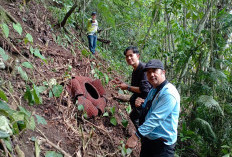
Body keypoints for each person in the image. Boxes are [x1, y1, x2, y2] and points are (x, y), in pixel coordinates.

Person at [125, 59, 180, 157]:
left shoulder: (169, 93)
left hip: (162, 146)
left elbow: (156, 118)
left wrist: (136, 137)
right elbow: (149, 108)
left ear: (163, 72)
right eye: (148, 72)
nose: (151, 75)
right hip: (149, 140)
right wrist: (141, 104)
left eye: (154, 71)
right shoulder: (154, 89)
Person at [113, 46, 151, 129]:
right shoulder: (135, 69)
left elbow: (144, 90)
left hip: (145, 101)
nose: (129, 58)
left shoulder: (143, 69)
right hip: (137, 99)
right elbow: (136, 86)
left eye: (131, 55)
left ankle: (138, 137)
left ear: (137, 56)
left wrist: (127, 87)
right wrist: (122, 83)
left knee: (136, 118)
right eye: (127, 56)